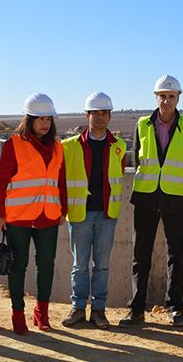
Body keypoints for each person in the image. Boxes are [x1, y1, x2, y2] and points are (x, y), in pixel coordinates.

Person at [121, 75, 183, 328]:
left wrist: (179, 186)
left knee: (176, 257)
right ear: (155, 97)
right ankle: (136, 309)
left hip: (176, 201)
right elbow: (138, 160)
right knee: (140, 257)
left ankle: (175, 309)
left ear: (178, 98)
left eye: (171, 96)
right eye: (162, 96)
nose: (166, 100)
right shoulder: (142, 125)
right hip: (146, 199)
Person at [0, 93, 67, 335]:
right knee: (18, 265)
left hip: (48, 216)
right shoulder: (14, 145)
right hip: (19, 217)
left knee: (46, 265)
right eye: (39, 119)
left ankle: (41, 314)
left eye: (48, 118)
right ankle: (17, 314)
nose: (45, 123)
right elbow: (1, 181)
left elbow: (60, 181)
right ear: (29, 119)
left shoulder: (57, 146)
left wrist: (62, 210)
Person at [61, 92, 126, 329]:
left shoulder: (119, 146)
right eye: (94, 113)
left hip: (107, 215)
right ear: (86, 116)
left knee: (102, 265)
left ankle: (98, 310)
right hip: (80, 215)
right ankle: (78, 308)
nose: (99, 118)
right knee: (79, 265)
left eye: (104, 113)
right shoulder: (69, 146)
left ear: (109, 116)